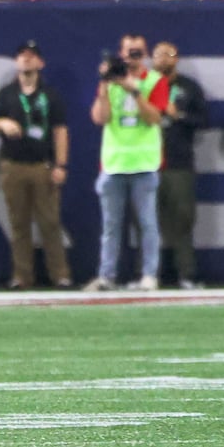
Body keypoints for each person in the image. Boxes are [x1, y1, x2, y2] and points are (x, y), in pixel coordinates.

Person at [84, 33, 169, 291]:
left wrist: (135, 92)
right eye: (129, 53)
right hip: (114, 163)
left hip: (143, 162)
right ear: (120, 55)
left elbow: (155, 118)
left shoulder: (155, 81)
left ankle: (149, 275)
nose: (133, 57)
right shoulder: (110, 84)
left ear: (145, 55)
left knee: (147, 224)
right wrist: (104, 88)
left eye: (138, 53)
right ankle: (106, 276)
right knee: (111, 227)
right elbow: (100, 118)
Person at [0, 41, 71, 290]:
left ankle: (60, 275)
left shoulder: (50, 94)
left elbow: (60, 131)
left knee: (50, 223)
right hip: (13, 165)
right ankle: (22, 276)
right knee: (18, 223)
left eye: (31, 56)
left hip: (41, 165)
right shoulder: (7, 94)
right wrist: (3, 123)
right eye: (22, 55)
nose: (26, 60)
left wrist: (61, 165)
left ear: (40, 63)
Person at [154, 41, 205, 289]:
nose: (164, 59)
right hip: (148, 161)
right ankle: (149, 274)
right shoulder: (144, 86)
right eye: (159, 54)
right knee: (147, 222)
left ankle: (186, 273)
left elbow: (204, 120)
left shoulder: (188, 87)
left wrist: (179, 116)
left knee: (183, 219)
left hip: (178, 162)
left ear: (177, 58)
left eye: (169, 54)